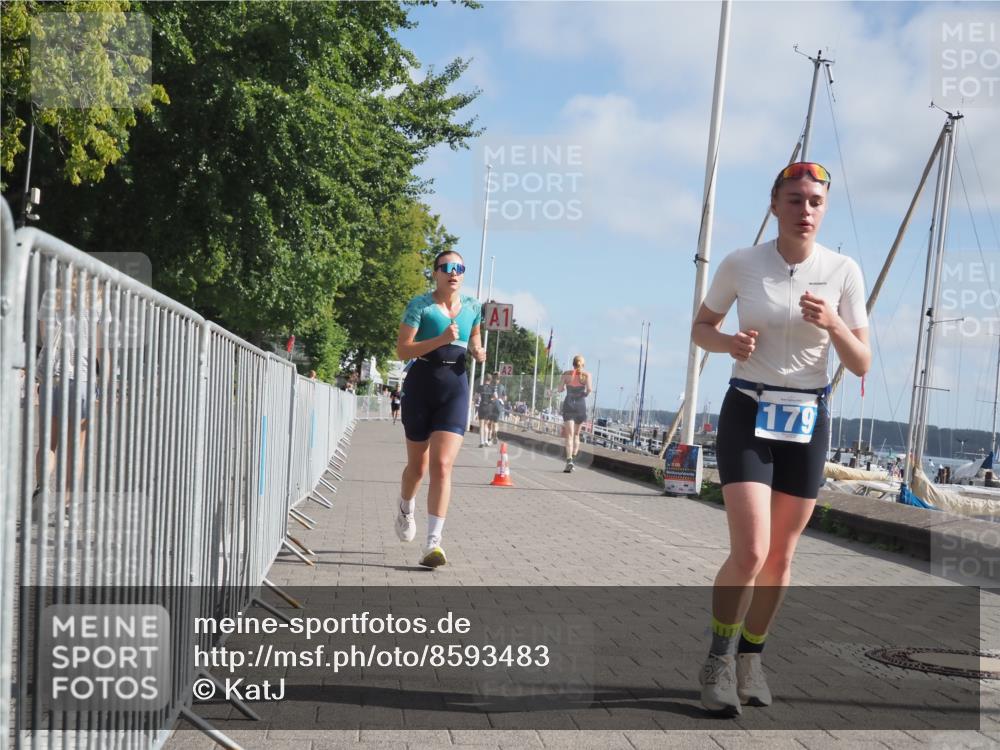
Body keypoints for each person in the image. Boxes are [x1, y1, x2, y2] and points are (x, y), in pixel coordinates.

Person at [690, 162, 870, 715]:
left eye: (815, 201)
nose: (805, 210)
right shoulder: (742, 263)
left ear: (825, 209)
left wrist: (835, 325)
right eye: (794, 200)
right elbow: (701, 328)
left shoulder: (843, 271)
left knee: (781, 560)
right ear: (774, 206)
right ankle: (717, 662)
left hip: (807, 419)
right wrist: (729, 345)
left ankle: (752, 659)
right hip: (749, 407)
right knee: (750, 551)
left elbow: (860, 362)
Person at [395, 250, 486, 568]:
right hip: (421, 386)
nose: (454, 272)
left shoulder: (474, 307)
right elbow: (402, 349)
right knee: (417, 470)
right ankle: (406, 506)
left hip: (455, 388)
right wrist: (440, 339)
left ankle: (433, 544)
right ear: (435, 273)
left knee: (443, 465)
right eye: (447, 267)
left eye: (459, 267)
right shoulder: (420, 305)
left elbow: (474, 337)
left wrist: (477, 350)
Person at [557, 355, 592, 472]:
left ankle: (569, 460)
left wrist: (564, 388)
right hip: (580, 406)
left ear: (573, 364)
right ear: (583, 364)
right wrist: (584, 394)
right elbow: (589, 390)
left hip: (569, 404)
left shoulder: (566, 375)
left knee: (569, 435)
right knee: (577, 435)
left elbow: (560, 389)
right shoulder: (586, 375)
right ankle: (573, 459)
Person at [477, 373, 497, 447]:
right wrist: (491, 400)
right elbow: (496, 397)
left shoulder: (480, 387)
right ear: (490, 380)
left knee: (481, 425)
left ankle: (481, 442)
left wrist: (476, 400)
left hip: (482, 406)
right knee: (486, 425)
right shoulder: (492, 388)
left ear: (484, 379)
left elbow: (476, 397)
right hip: (489, 407)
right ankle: (486, 440)